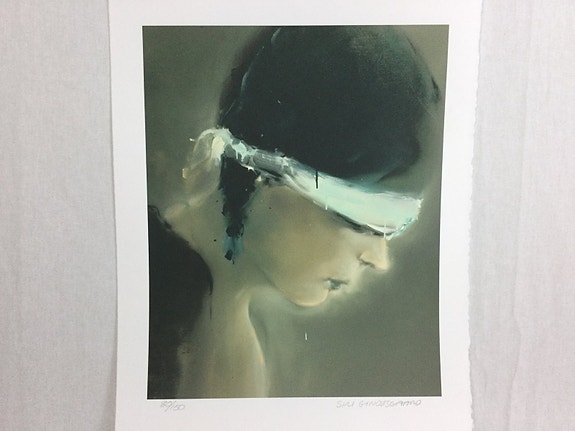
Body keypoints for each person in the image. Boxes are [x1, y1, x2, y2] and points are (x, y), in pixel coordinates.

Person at [146, 26, 440, 398]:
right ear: (263, 178)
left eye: (391, 230)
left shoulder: (226, 339)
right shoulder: (150, 311)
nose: (378, 259)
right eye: (361, 222)